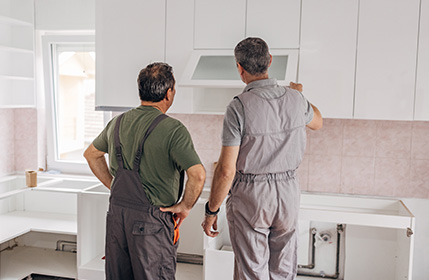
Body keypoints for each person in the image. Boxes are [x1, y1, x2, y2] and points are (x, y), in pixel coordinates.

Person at [201, 37, 323, 280]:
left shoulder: (238, 107)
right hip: (288, 192)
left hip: (252, 196)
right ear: (269, 61)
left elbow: (226, 170)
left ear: (240, 68)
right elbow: (318, 122)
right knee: (284, 269)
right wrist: (299, 94)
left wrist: (211, 210)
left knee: (252, 271)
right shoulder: (296, 99)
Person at [84, 62, 205, 280]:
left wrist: (114, 185)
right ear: (169, 93)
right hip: (152, 224)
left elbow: (91, 154)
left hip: (117, 219)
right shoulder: (173, 129)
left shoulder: (117, 123)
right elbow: (198, 175)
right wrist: (185, 207)